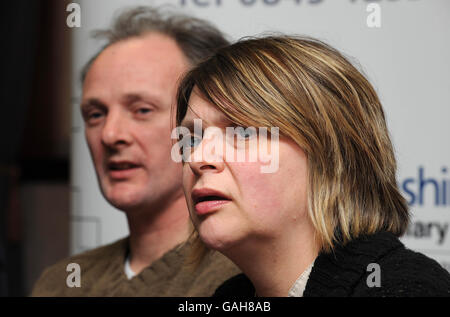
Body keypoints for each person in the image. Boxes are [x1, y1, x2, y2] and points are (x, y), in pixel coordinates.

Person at [176, 35, 450, 296]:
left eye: (242, 132)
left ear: (332, 156)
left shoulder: (407, 287)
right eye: (193, 139)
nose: (198, 158)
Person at [31, 6, 239, 296]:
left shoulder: (246, 277)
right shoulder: (58, 284)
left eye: (142, 110)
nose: (110, 134)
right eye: (95, 114)